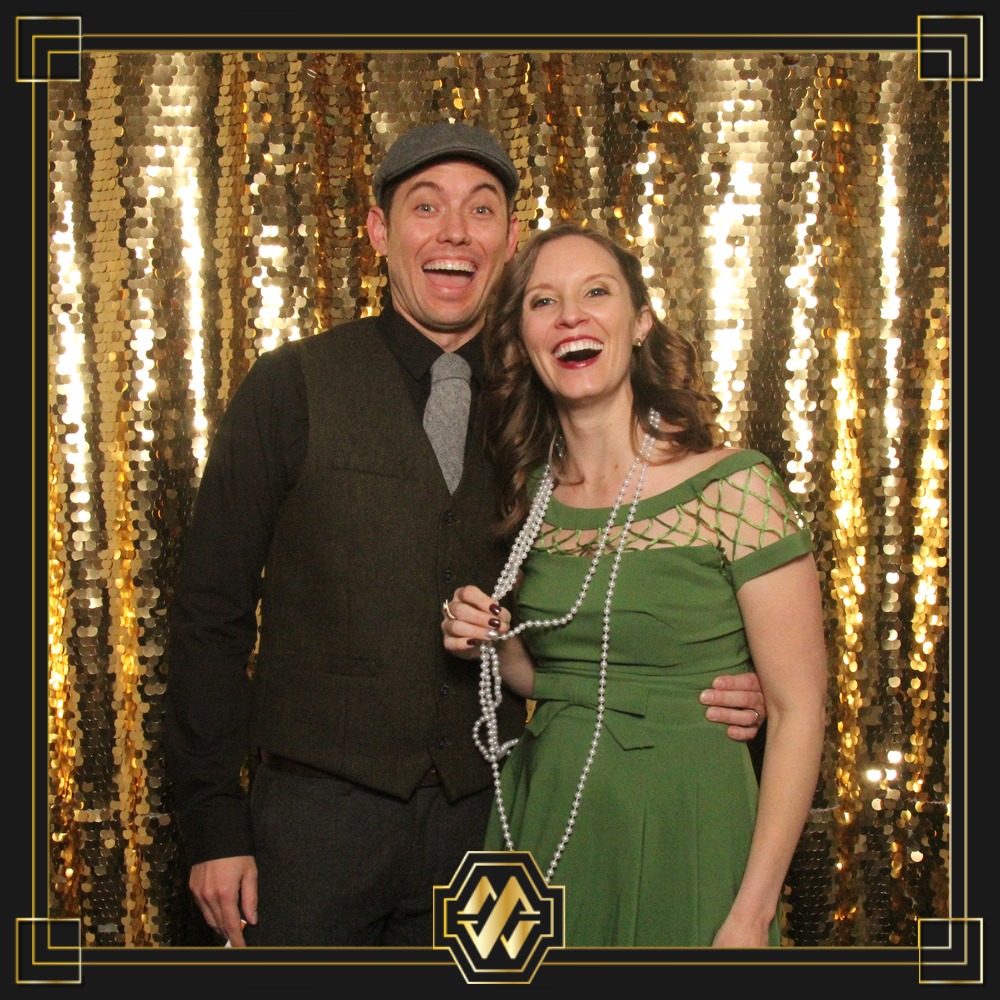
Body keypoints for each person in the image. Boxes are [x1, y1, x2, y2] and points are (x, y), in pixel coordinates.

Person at [165, 122, 768, 949]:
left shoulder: (557, 398)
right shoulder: (291, 385)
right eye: (426, 207)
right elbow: (211, 613)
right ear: (379, 233)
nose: (454, 232)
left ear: (509, 243)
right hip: (312, 826)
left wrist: (719, 684)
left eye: (480, 210)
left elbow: (639, 569)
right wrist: (212, 821)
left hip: (497, 820)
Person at [442, 222, 828, 948]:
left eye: (596, 293)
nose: (570, 316)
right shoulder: (529, 494)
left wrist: (751, 914)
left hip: (685, 821)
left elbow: (798, 708)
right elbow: (550, 677)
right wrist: (488, 639)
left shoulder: (736, 487)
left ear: (641, 322)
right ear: (522, 341)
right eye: (544, 302)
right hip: (542, 813)